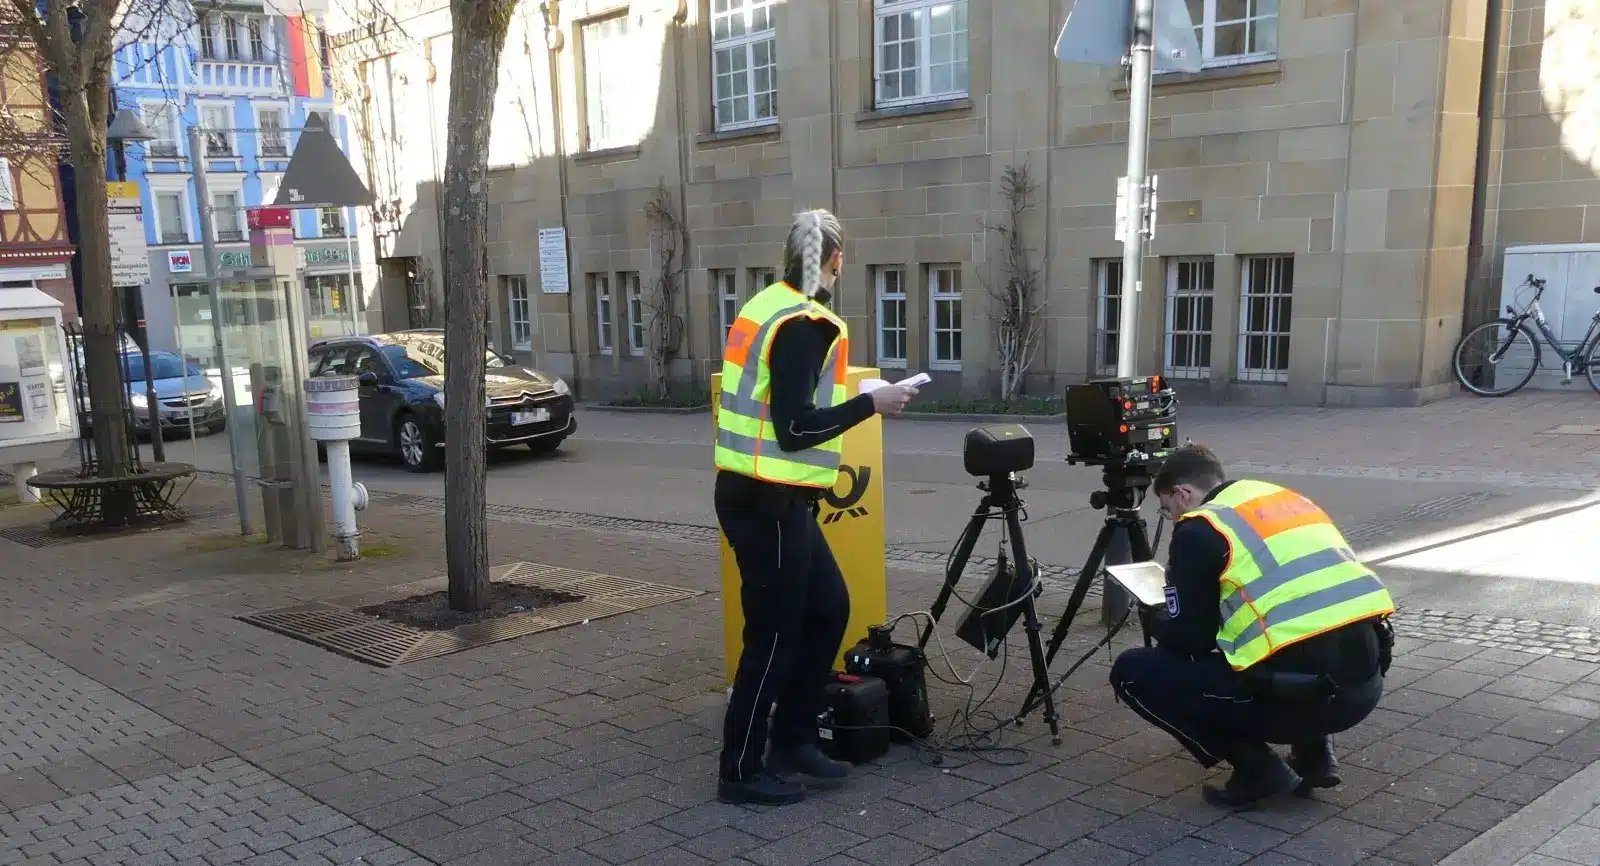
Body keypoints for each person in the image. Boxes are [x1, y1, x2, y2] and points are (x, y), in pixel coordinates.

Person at [713, 209, 919, 806]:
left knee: (829, 607)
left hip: (770, 495)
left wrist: (860, 396)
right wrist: (872, 405)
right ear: (835, 259)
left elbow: (788, 399)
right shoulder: (804, 321)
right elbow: (796, 427)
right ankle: (741, 770)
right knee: (773, 637)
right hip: (768, 499)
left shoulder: (769, 305)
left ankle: (795, 737)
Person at [1109, 444, 1397, 810]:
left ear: (1181, 493)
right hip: (1364, 686)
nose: (1173, 517)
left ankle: (1257, 770)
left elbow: (1189, 643)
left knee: (1133, 673)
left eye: (1168, 509)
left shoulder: (1200, 527)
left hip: (1301, 699)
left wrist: (1160, 617)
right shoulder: (1280, 499)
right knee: (1293, 634)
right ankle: (1315, 755)